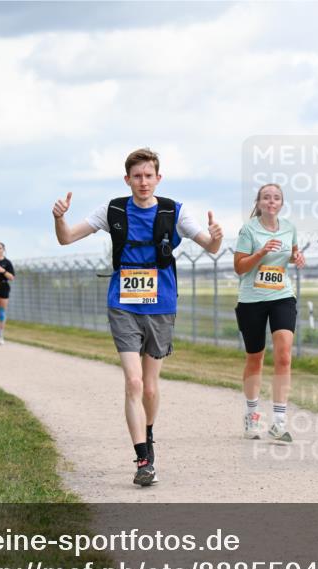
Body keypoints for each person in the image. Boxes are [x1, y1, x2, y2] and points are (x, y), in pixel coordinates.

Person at [52, 147, 223, 487]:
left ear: (158, 178)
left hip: (161, 306)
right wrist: (59, 217)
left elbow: (212, 247)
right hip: (123, 303)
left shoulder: (175, 212)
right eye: (137, 176)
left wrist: (216, 236)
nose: (143, 182)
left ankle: (148, 432)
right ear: (127, 179)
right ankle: (143, 459)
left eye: (149, 176)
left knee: (150, 387)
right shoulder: (113, 209)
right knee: (133, 382)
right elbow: (67, 238)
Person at [233, 183, 305, 441]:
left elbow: (293, 252)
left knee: (284, 355)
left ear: (281, 203)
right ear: (259, 202)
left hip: (282, 296)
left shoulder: (289, 228)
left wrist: (298, 257)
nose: (271, 202)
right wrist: (261, 252)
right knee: (256, 356)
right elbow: (239, 268)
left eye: (276, 198)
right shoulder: (249, 230)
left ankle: (279, 420)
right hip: (252, 299)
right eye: (266, 198)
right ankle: (252, 416)